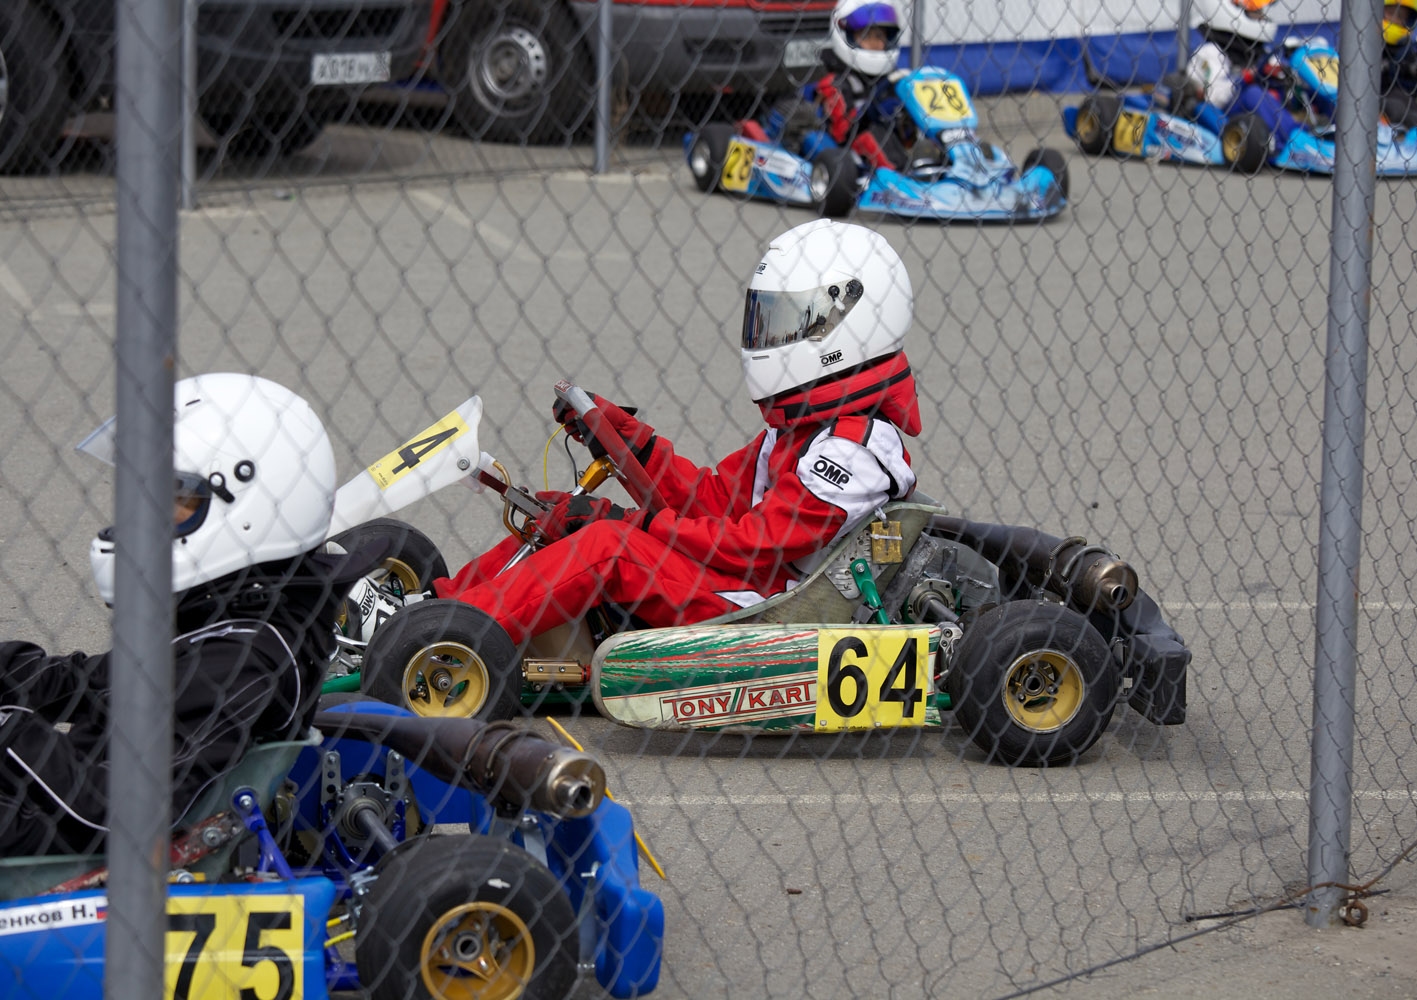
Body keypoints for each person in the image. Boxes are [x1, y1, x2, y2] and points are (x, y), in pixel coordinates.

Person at [427, 220, 922, 646]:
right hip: (739, 579)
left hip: (767, 609)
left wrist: (634, 523)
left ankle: (447, 638)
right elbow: (712, 499)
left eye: (793, 323)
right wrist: (630, 440)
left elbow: (753, 543)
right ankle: (433, 605)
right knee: (560, 520)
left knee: (608, 546)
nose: (769, 337)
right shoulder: (803, 428)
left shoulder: (854, 451)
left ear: (852, 329)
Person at [0, 373, 382, 856]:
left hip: (82, 849)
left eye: (174, 499)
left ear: (250, 512)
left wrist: (11, 731)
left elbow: (123, 813)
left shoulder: (241, 658)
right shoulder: (231, 614)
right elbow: (91, 684)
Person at [743, 0, 914, 170]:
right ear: (846, 35)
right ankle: (899, 174)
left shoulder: (889, 79)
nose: (875, 43)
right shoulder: (835, 83)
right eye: (866, 36)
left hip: (876, 148)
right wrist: (872, 110)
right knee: (870, 135)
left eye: (879, 36)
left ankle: (916, 167)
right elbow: (842, 133)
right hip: (841, 152)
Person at [1170, 0, 1302, 146]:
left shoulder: (1260, 52)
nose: (1262, 16)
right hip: (1226, 113)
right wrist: (1244, 79)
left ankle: (1310, 131)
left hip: (1255, 114)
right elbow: (1213, 96)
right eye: (1255, 12)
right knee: (1253, 93)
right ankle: (1296, 138)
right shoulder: (1210, 52)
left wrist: (1281, 75)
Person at [1379, 0, 1417, 131]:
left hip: (1406, 100)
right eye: (1391, 13)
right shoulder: (1367, 44)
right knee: (1397, 102)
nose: (1395, 20)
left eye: (1401, 16)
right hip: (1378, 100)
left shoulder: (1408, 48)